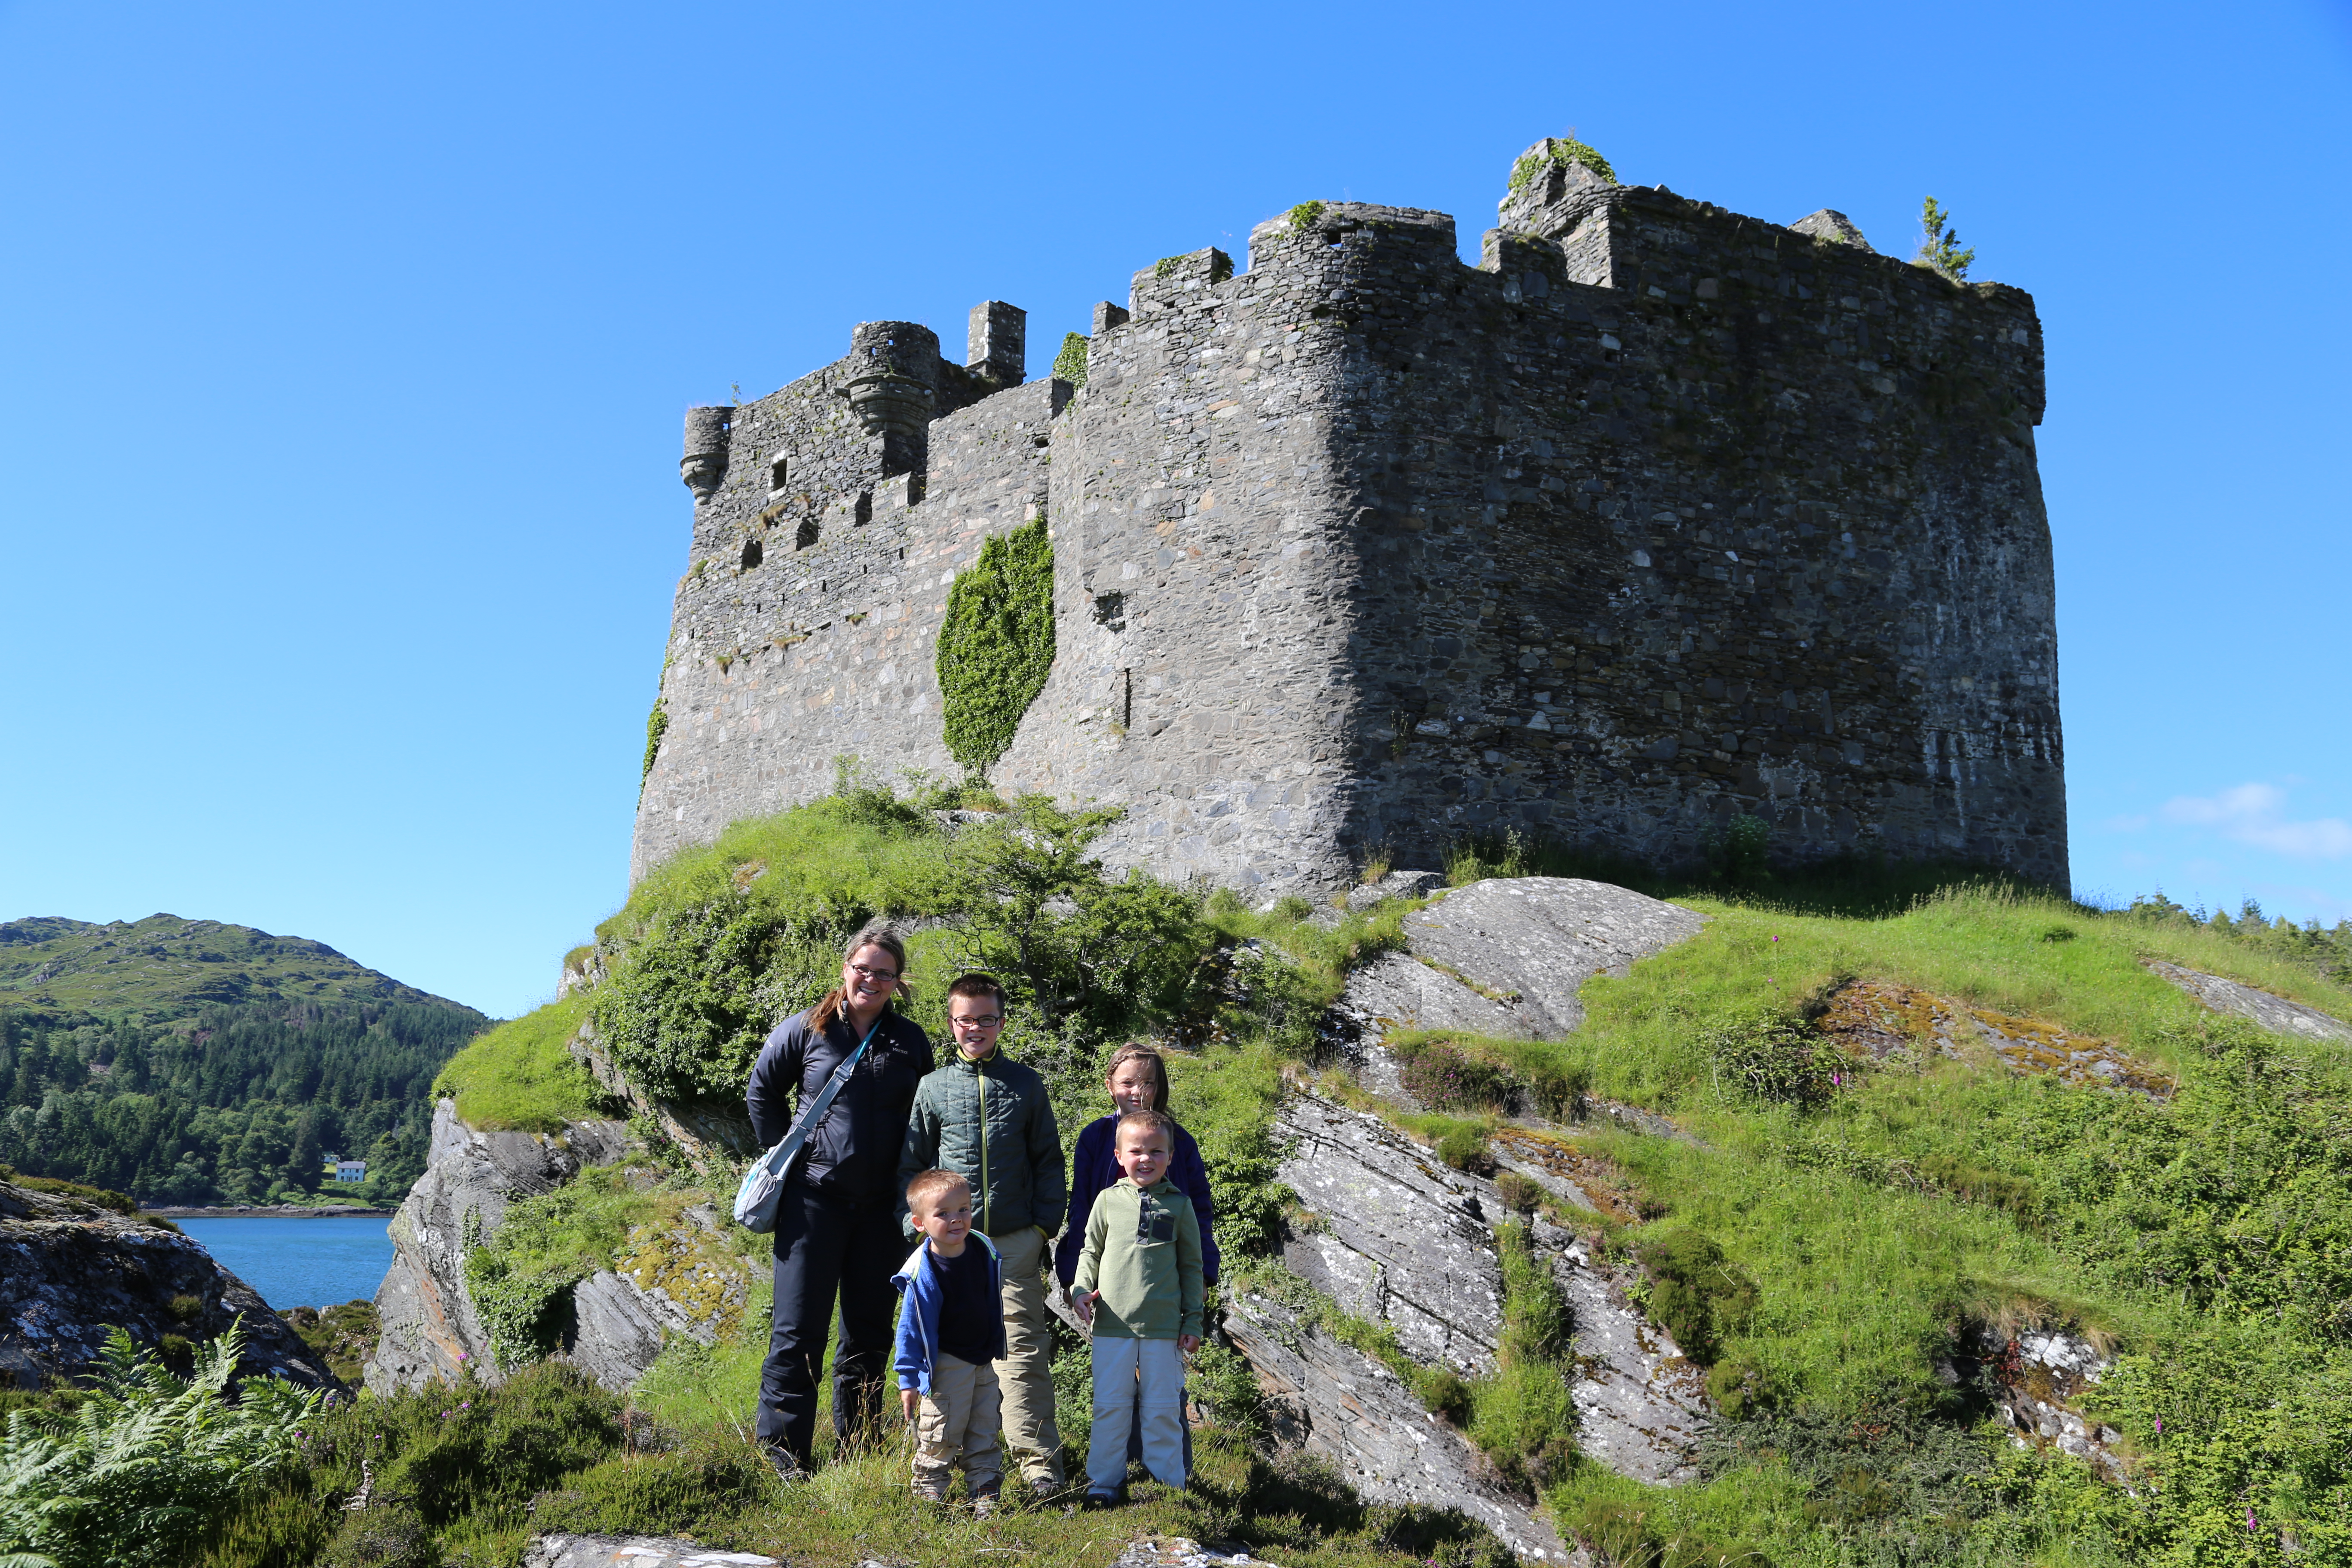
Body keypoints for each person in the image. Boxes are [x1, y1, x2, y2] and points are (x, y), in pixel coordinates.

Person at [744, 923, 934, 1477]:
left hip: (881, 1210)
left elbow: (924, 1119)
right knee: (798, 1330)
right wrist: (790, 1159)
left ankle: (858, 1446)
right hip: (813, 1204)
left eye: (884, 973)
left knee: (869, 1332)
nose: (871, 979)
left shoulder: (910, 1042)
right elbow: (762, 1091)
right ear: (845, 967)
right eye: (863, 968)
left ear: (898, 983)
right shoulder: (807, 1029)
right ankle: (783, 1452)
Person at [897, 973, 1068, 1494]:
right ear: (951, 1023)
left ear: (1001, 1021)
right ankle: (940, 1472)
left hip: (1013, 1244)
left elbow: (1048, 1162)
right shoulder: (933, 1088)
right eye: (965, 1019)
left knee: (1022, 1356)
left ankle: (1038, 1468)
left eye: (986, 1019)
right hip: (950, 1252)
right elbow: (912, 1166)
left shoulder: (1026, 1084)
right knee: (948, 1361)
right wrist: (916, 1227)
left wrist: (1041, 1228)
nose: (975, 1028)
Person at [1070, 1109, 1204, 1506]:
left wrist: (1193, 1319)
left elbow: (1192, 1267)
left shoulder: (1180, 1206)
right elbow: (1089, 1250)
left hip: (1164, 1328)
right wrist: (1080, 1290)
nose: (1146, 1159)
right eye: (1137, 1151)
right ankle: (1103, 1484)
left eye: (1156, 1152)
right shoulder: (1107, 1201)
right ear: (1119, 1155)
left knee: (1162, 1409)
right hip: (1113, 1324)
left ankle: (1169, 1490)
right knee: (1111, 1407)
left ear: (1170, 1156)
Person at [1054, 1044, 1219, 1294]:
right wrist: (1073, 1277)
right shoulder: (1095, 1138)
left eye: (1148, 1083)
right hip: (1109, 1274)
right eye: (1127, 1083)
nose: (1138, 1092)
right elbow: (1081, 1209)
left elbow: (1200, 1211)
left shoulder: (1180, 1141)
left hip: (1167, 1278)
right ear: (1110, 1086)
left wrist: (1203, 1276)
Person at [891, 1169, 1006, 1516]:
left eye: (964, 1210)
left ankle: (984, 1490)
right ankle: (929, 1492)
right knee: (940, 1432)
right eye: (943, 1214)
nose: (956, 1220)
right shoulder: (921, 1272)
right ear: (919, 1222)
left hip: (983, 1361)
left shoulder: (983, 1249)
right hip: (947, 1365)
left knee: (985, 1427)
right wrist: (908, 1380)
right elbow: (909, 1331)